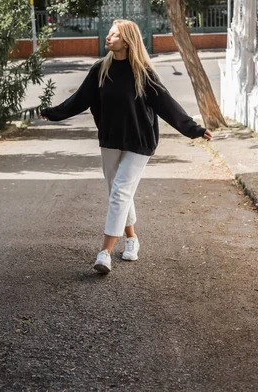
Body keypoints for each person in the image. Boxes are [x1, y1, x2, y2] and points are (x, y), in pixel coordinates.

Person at [41, 19, 212, 274]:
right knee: (118, 193)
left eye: (113, 35)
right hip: (110, 139)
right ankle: (131, 238)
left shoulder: (143, 73)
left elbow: (167, 105)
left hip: (139, 141)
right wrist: (53, 113)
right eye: (109, 34)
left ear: (127, 41)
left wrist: (194, 129)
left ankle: (104, 252)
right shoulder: (100, 70)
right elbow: (79, 100)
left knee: (120, 192)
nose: (108, 38)